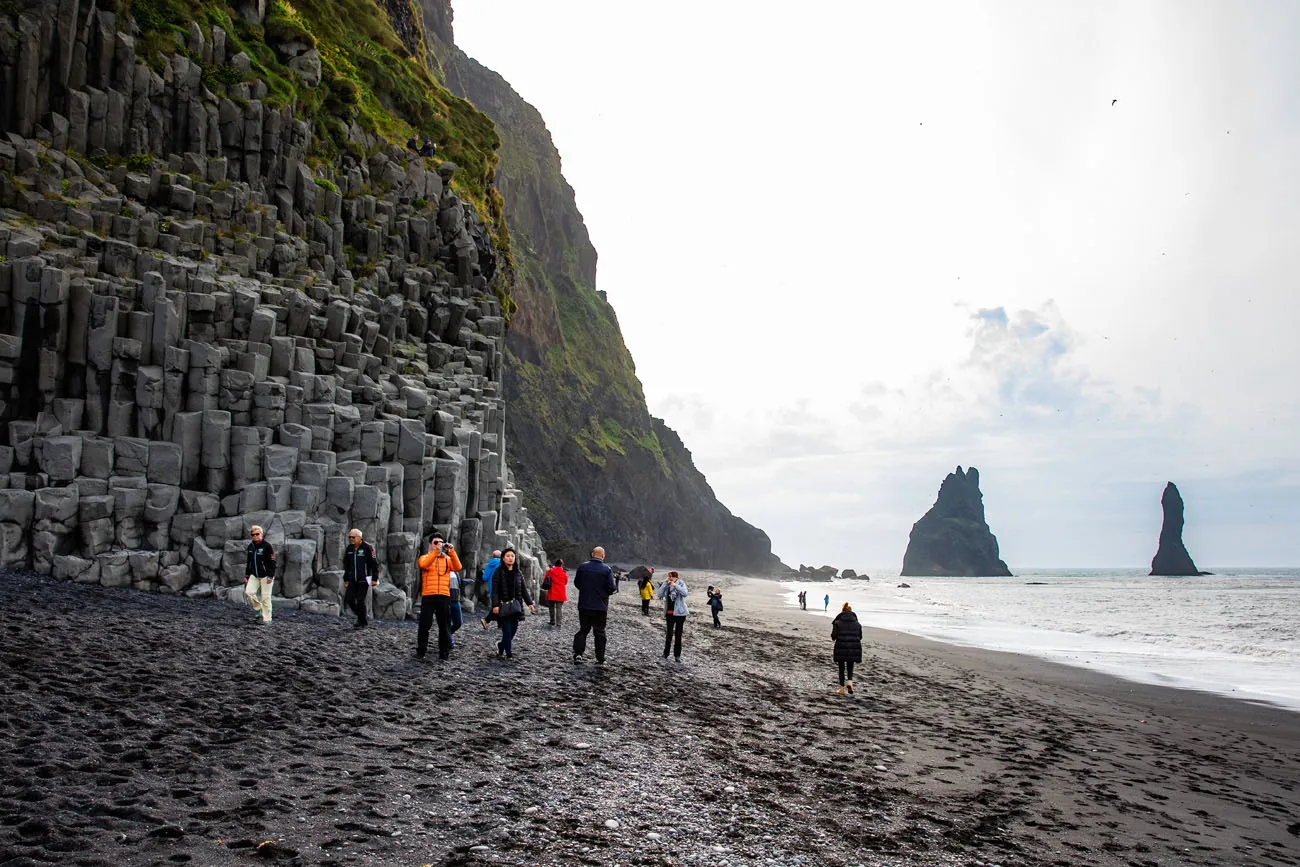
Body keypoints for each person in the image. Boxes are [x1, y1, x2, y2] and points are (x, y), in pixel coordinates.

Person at [415, 534, 461, 661]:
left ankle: (444, 652)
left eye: (441, 542)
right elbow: (424, 565)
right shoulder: (424, 557)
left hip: (444, 596)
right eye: (436, 542)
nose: (439, 544)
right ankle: (421, 650)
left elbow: (458, 567)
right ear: (430, 544)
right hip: (429, 595)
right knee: (425, 624)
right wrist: (435, 553)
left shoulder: (447, 559)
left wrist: (452, 552)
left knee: (444, 625)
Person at [572, 546, 617, 664]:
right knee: (599, 632)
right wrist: (604, 594)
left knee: (583, 630)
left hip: (584, 604)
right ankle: (600, 657)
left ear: (592, 554)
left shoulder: (582, 567)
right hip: (600, 607)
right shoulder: (606, 570)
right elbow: (612, 588)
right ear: (603, 556)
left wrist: (585, 591)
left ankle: (578, 654)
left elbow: (577, 583)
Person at [490, 548, 535, 658]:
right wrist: (495, 605)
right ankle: (509, 654)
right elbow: (495, 590)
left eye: (512, 556)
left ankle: (501, 645)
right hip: (503, 606)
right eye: (508, 556)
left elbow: (524, 589)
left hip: (515, 607)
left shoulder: (518, 572)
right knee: (507, 631)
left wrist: (529, 603)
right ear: (503, 558)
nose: (510, 558)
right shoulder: (498, 572)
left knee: (513, 630)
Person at [342, 528, 379, 628]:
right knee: (349, 599)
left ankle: (361, 622)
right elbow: (346, 565)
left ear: (359, 537)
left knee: (360, 601)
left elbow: (374, 564)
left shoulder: (368, 547)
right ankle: (362, 618)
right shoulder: (349, 548)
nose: (351, 539)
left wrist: (375, 578)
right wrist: (346, 579)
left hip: (364, 579)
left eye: (353, 537)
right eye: (350, 537)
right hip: (352, 579)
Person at [244, 525, 276, 623]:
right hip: (254, 575)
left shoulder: (267, 546)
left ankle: (267, 619)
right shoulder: (250, 547)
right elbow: (249, 562)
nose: (255, 536)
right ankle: (258, 608)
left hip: (266, 576)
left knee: (266, 597)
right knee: (249, 592)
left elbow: (272, 562)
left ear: (261, 534)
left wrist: (270, 575)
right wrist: (247, 575)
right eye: (253, 535)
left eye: (257, 534)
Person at [655, 570, 689, 662]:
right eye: (669, 577)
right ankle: (665, 654)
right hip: (669, 613)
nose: (670, 578)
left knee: (678, 635)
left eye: (671, 577)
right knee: (669, 634)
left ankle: (677, 656)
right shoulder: (667, 584)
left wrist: (675, 585)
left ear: (676, 577)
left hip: (680, 614)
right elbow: (659, 594)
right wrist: (665, 584)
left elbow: (685, 594)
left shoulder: (681, 583)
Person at [831, 602, 863, 695]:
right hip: (854, 647)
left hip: (841, 646)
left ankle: (842, 689)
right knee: (850, 665)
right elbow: (860, 636)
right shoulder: (858, 624)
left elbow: (833, 636)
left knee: (841, 667)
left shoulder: (837, 622)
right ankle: (849, 682)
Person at [479, 549, 502, 626]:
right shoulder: (503, 563)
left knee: (497, 605)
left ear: (493, 556)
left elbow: (485, 577)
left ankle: (500, 624)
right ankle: (486, 620)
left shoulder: (489, 564)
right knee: (499, 605)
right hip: (501, 587)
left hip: (492, 587)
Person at [543, 558, 568, 626]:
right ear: (561, 565)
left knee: (551, 607)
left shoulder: (550, 571)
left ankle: (552, 621)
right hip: (561, 593)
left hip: (552, 592)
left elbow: (545, 579)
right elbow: (565, 582)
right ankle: (559, 623)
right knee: (559, 608)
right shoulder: (564, 572)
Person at [447, 571, 463, 647]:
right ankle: (448, 641)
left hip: (456, 600)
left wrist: (464, 581)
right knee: (447, 623)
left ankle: (447, 635)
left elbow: (457, 583)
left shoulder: (456, 572)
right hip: (446, 601)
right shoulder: (443, 569)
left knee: (458, 623)